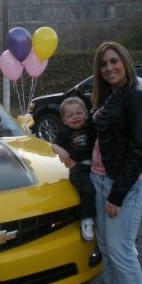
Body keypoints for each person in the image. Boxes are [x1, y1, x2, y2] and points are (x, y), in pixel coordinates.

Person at [90, 41, 142, 284]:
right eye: (104, 64)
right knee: (108, 252)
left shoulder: (137, 97)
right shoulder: (108, 98)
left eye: (114, 61)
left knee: (122, 254)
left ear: (125, 63)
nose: (109, 68)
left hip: (124, 187)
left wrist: (116, 195)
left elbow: (138, 149)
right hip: (99, 181)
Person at [51, 97, 96, 241]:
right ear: (64, 120)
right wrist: (60, 151)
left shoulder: (91, 126)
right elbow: (54, 145)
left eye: (79, 113)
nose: (75, 117)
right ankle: (86, 220)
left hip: (96, 166)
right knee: (88, 190)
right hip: (79, 168)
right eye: (70, 115)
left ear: (86, 114)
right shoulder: (64, 133)